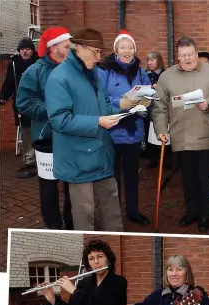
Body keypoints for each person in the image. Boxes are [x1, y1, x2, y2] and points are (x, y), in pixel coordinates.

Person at [45, 28, 124, 232]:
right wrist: (97, 122)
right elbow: (59, 119)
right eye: (95, 52)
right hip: (77, 157)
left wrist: (127, 107)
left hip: (102, 152)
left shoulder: (95, 73)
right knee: (84, 213)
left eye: (100, 52)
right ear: (78, 48)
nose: (98, 58)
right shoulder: (59, 77)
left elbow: (105, 106)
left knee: (112, 208)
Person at [152, 36, 209, 232]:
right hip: (180, 134)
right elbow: (159, 106)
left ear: (197, 54)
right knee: (187, 178)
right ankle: (191, 212)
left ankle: (205, 214)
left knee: (203, 177)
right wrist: (161, 129)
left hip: (204, 132)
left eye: (190, 54)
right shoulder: (167, 76)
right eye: (183, 55)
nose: (187, 59)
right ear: (177, 56)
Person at [16, 27, 74, 230]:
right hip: (46, 138)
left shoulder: (72, 68)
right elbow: (23, 102)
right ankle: (54, 225)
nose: (71, 48)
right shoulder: (35, 71)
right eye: (67, 46)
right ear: (54, 47)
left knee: (72, 185)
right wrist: (51, 109)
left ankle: (71, 223)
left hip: (70, 136)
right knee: (49, 187)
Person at [98, 30, 151, 225]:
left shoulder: (140, 71)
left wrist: (145, 102)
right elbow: (100, 98)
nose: (127, 51)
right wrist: (122, 102)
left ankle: (132, 211)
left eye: (130, 47)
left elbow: (149, 95)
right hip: (112, 131)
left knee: (132, 176)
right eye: (123, 47)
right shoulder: (105, 71)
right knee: (112, 177)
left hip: (134, 131)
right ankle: (113, 213)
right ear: (116, 49)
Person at [1, 37, 39, 165]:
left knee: (40, 131)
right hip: (22, 104)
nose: (25, 52)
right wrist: (3, 97)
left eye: (28, 49)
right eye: (22, 49)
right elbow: (9, 83)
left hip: (38, 102)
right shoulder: (14, 63)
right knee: (26, 131)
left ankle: (42, 158)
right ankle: (29, 160)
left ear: (32, 51)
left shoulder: (39, 62)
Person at [144, 51, 172, 170]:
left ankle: (167, 160)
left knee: (165, 133)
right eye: (148, 60)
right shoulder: (146, 75)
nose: (149, 63)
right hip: (149, 109)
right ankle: (153, 158)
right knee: (149, 135)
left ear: (158, 60)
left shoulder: (166, 75)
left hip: (163, 108)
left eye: (152, 60)